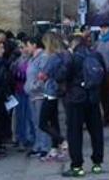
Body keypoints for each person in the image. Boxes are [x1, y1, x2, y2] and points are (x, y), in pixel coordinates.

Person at [59, 36, 106, 177]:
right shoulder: (96, 55)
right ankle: (97, 163)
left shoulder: (72, 58)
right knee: (96, 131)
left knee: (75, 133)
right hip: (92, 98)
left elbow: (61, 75)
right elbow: (103, 73)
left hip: (75, 99)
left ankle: (77, 166)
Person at [39, 32, 68, 162]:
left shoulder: (52, 57)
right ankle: (54, 148)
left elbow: (43, 75)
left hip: (50, 91)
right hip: (55, 91)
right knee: (54, 121)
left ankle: (62, 141)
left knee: (43, 123)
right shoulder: (63, 55)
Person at [24, 36, 51, 158]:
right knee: (35, 122)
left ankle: (45, 146)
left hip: (40, 94)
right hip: (32, 95)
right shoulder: (31, 59)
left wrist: (35, 86)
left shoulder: (43, 57)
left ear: (34, 45)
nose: (26, 48)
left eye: (27, 45)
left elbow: (44, 75)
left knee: (41, 121)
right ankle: (38, 145)